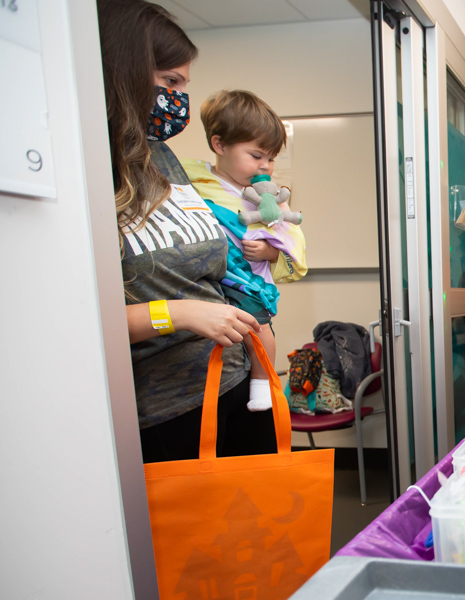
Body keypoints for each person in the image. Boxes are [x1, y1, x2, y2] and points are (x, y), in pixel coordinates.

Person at [99, 0, 276, 462]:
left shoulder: (162, 157)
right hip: (165, 415)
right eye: (170, 82)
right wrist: (177, 314)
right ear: (126, 72)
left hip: (232, 381)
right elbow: (80, 324)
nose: (179, 99)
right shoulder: (88, 171)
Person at [182, 90, 308, 412]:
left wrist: (269, 252)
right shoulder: (188, 179)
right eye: (256, 155)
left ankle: (263, 381)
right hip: (200, 293)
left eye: (271, 158)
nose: (265, 166)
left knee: (258, 328)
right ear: (219, 145)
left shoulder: (271, 198)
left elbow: (296, 248)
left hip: (245, 284)